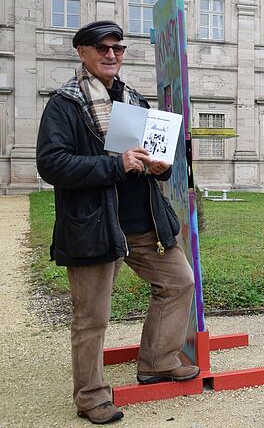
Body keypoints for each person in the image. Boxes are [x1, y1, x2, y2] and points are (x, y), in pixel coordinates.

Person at [36, 21, 198, 424]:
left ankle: (157, 360)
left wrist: (160, 166)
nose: (111, 54)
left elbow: (152, 160)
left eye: (118, 48)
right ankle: (90, 396)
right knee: (92, 317)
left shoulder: (135, 101)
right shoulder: (65, 103)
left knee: (180, 282)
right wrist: (115, 164)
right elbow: (51, 164)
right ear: (82, 52)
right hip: (94, 224)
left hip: (143, 220)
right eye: (102, 48)